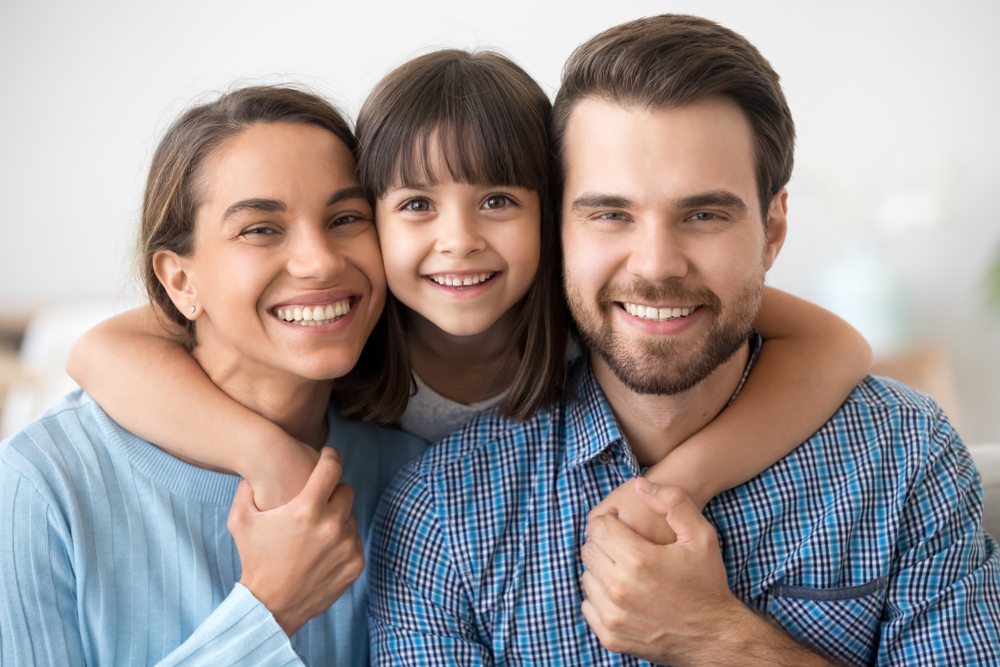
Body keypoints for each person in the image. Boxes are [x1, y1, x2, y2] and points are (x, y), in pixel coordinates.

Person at [367, 15, 1000, 666]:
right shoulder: (441, 513)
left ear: (772, 231)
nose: (656, 265)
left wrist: (716, 637)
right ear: (560, 232)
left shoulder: (906, 458)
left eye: (703, 214)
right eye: (610, 213)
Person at [66, 51, 871, 547]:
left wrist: (678, 484)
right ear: (373, 219)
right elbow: (99, 350)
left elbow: (837, 345)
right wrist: (267, 454)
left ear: (555, 215)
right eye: (416, 204)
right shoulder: (349, 325)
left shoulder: (599, 306)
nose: (458, 241)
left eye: (497, 201)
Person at [0, 86, 426, 666]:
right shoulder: (42, 484)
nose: (321, 261)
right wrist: (270, 610)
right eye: (260, 229)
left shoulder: (415, 475)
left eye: (346, 218)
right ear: (180, 282)